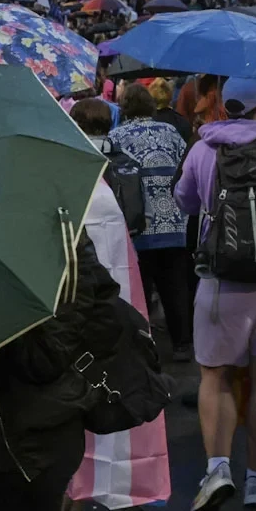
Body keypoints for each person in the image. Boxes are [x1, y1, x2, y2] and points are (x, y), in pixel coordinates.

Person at [174, 77, 256, 511]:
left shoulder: (202, 149)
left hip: (221, 283)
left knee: (215, 376)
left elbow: (186, 203)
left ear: (222, 108)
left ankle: (218, 470)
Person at [105, 83, 193, 360]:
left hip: (139, 222)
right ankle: (182, 343)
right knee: (175, 284)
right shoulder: (171, 132)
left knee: (140, 286)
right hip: (175, 220)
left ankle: (145, 345)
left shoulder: (117, 136)